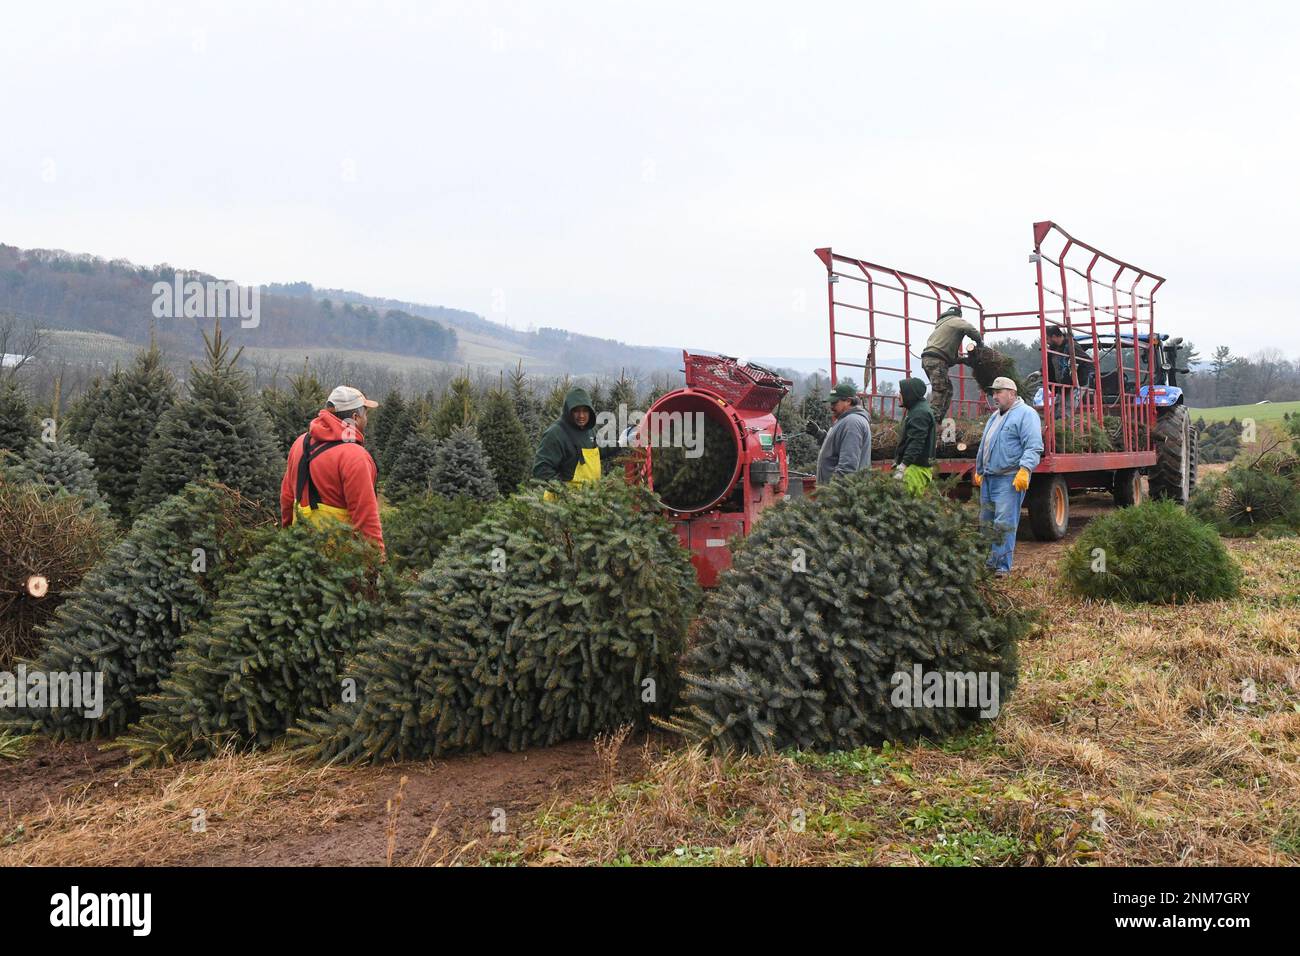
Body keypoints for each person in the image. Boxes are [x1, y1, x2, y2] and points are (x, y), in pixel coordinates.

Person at [280, 385, 384, 552]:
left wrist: (285, 539)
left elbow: (287, 497)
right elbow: (365, 517)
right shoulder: (355, 456)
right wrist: (377, 560)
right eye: (366, 413)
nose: (367, 419)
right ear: (355, 417)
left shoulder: (300, 443)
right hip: (337, 558)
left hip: (297, 549)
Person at [972, 376, 1043, 576]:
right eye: (993, 392)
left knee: (1003, 523)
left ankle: (1001, 568)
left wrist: (1025, 469)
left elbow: (1033, 446)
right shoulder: (995, 417)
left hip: (1008, 478)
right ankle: (988, 564)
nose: (994, 396)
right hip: (989, 478)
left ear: (1012, 393)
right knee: (986, 523)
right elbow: (984, 446)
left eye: (999, 392)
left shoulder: (1025, 414)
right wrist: (979, 470)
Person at [920, 305, 984, 423]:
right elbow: (970, 328)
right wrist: (979, 342)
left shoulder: (942, 326)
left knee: (947, 390)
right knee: (940, 391)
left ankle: (937, 421)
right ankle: (930, 423)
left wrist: (965, 361)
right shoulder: (954, 320)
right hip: (936, 360)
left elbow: (950, 358)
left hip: (930, 359)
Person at [532, 386, 602, 486]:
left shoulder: (590, 429)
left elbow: (600, 450)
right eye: (576, 411)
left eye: (585, 411)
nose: (581, 415)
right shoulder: (556, 433)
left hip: (590, 497)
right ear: (568, 411)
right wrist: (563, 490)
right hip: (564, 499)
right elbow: (541, 469)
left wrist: (623, 441)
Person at [811, 383, 872, 484]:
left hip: (839, 494)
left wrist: (835, 491)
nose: (831, 407)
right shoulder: (844, 420)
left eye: (834, 403)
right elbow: (837, 448)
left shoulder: (852, 422)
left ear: (848, 401)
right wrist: (820, 435)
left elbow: (848, 467)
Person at [894, 377, 936, 496]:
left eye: (901, 392)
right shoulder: (916, 410)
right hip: (914, 467)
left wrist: (903, 465)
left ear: (910, 394)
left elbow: (916, 442)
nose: (898, 395)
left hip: (914, 469)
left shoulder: (919, 413)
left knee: (907, 505)